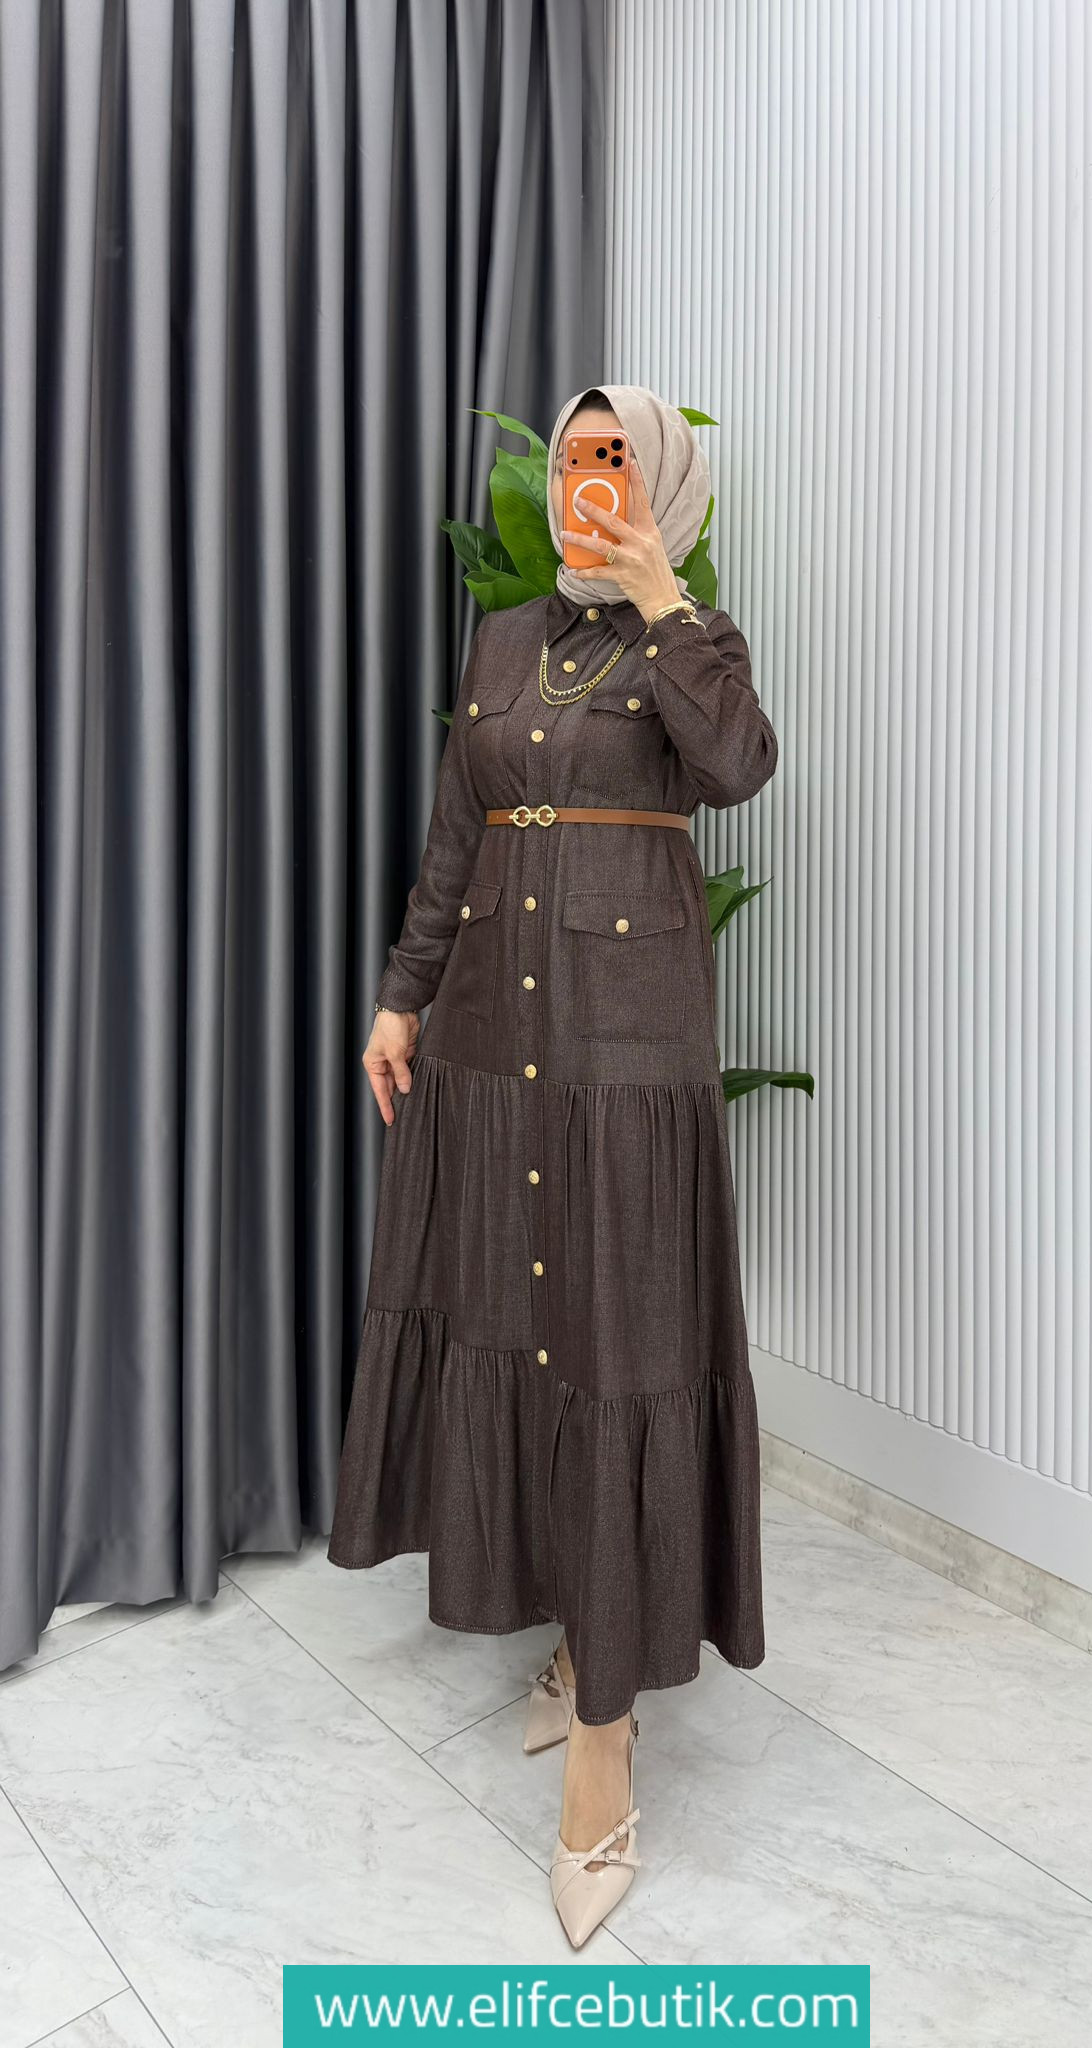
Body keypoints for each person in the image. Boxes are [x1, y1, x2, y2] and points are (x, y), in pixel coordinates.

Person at [328, 383, 779, 1946]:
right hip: (490, 1036)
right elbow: (460, 833)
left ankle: (605, 1739)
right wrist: (402, 994)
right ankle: (573, 1637)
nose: (592, 485)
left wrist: (664, 602)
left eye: (618, 461)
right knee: (521, 1334)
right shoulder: (505, 639)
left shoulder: (693, 641)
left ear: (664, 487)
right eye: (580, 460)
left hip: (625, 1052)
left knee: (620, 1350)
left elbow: (739, 769)